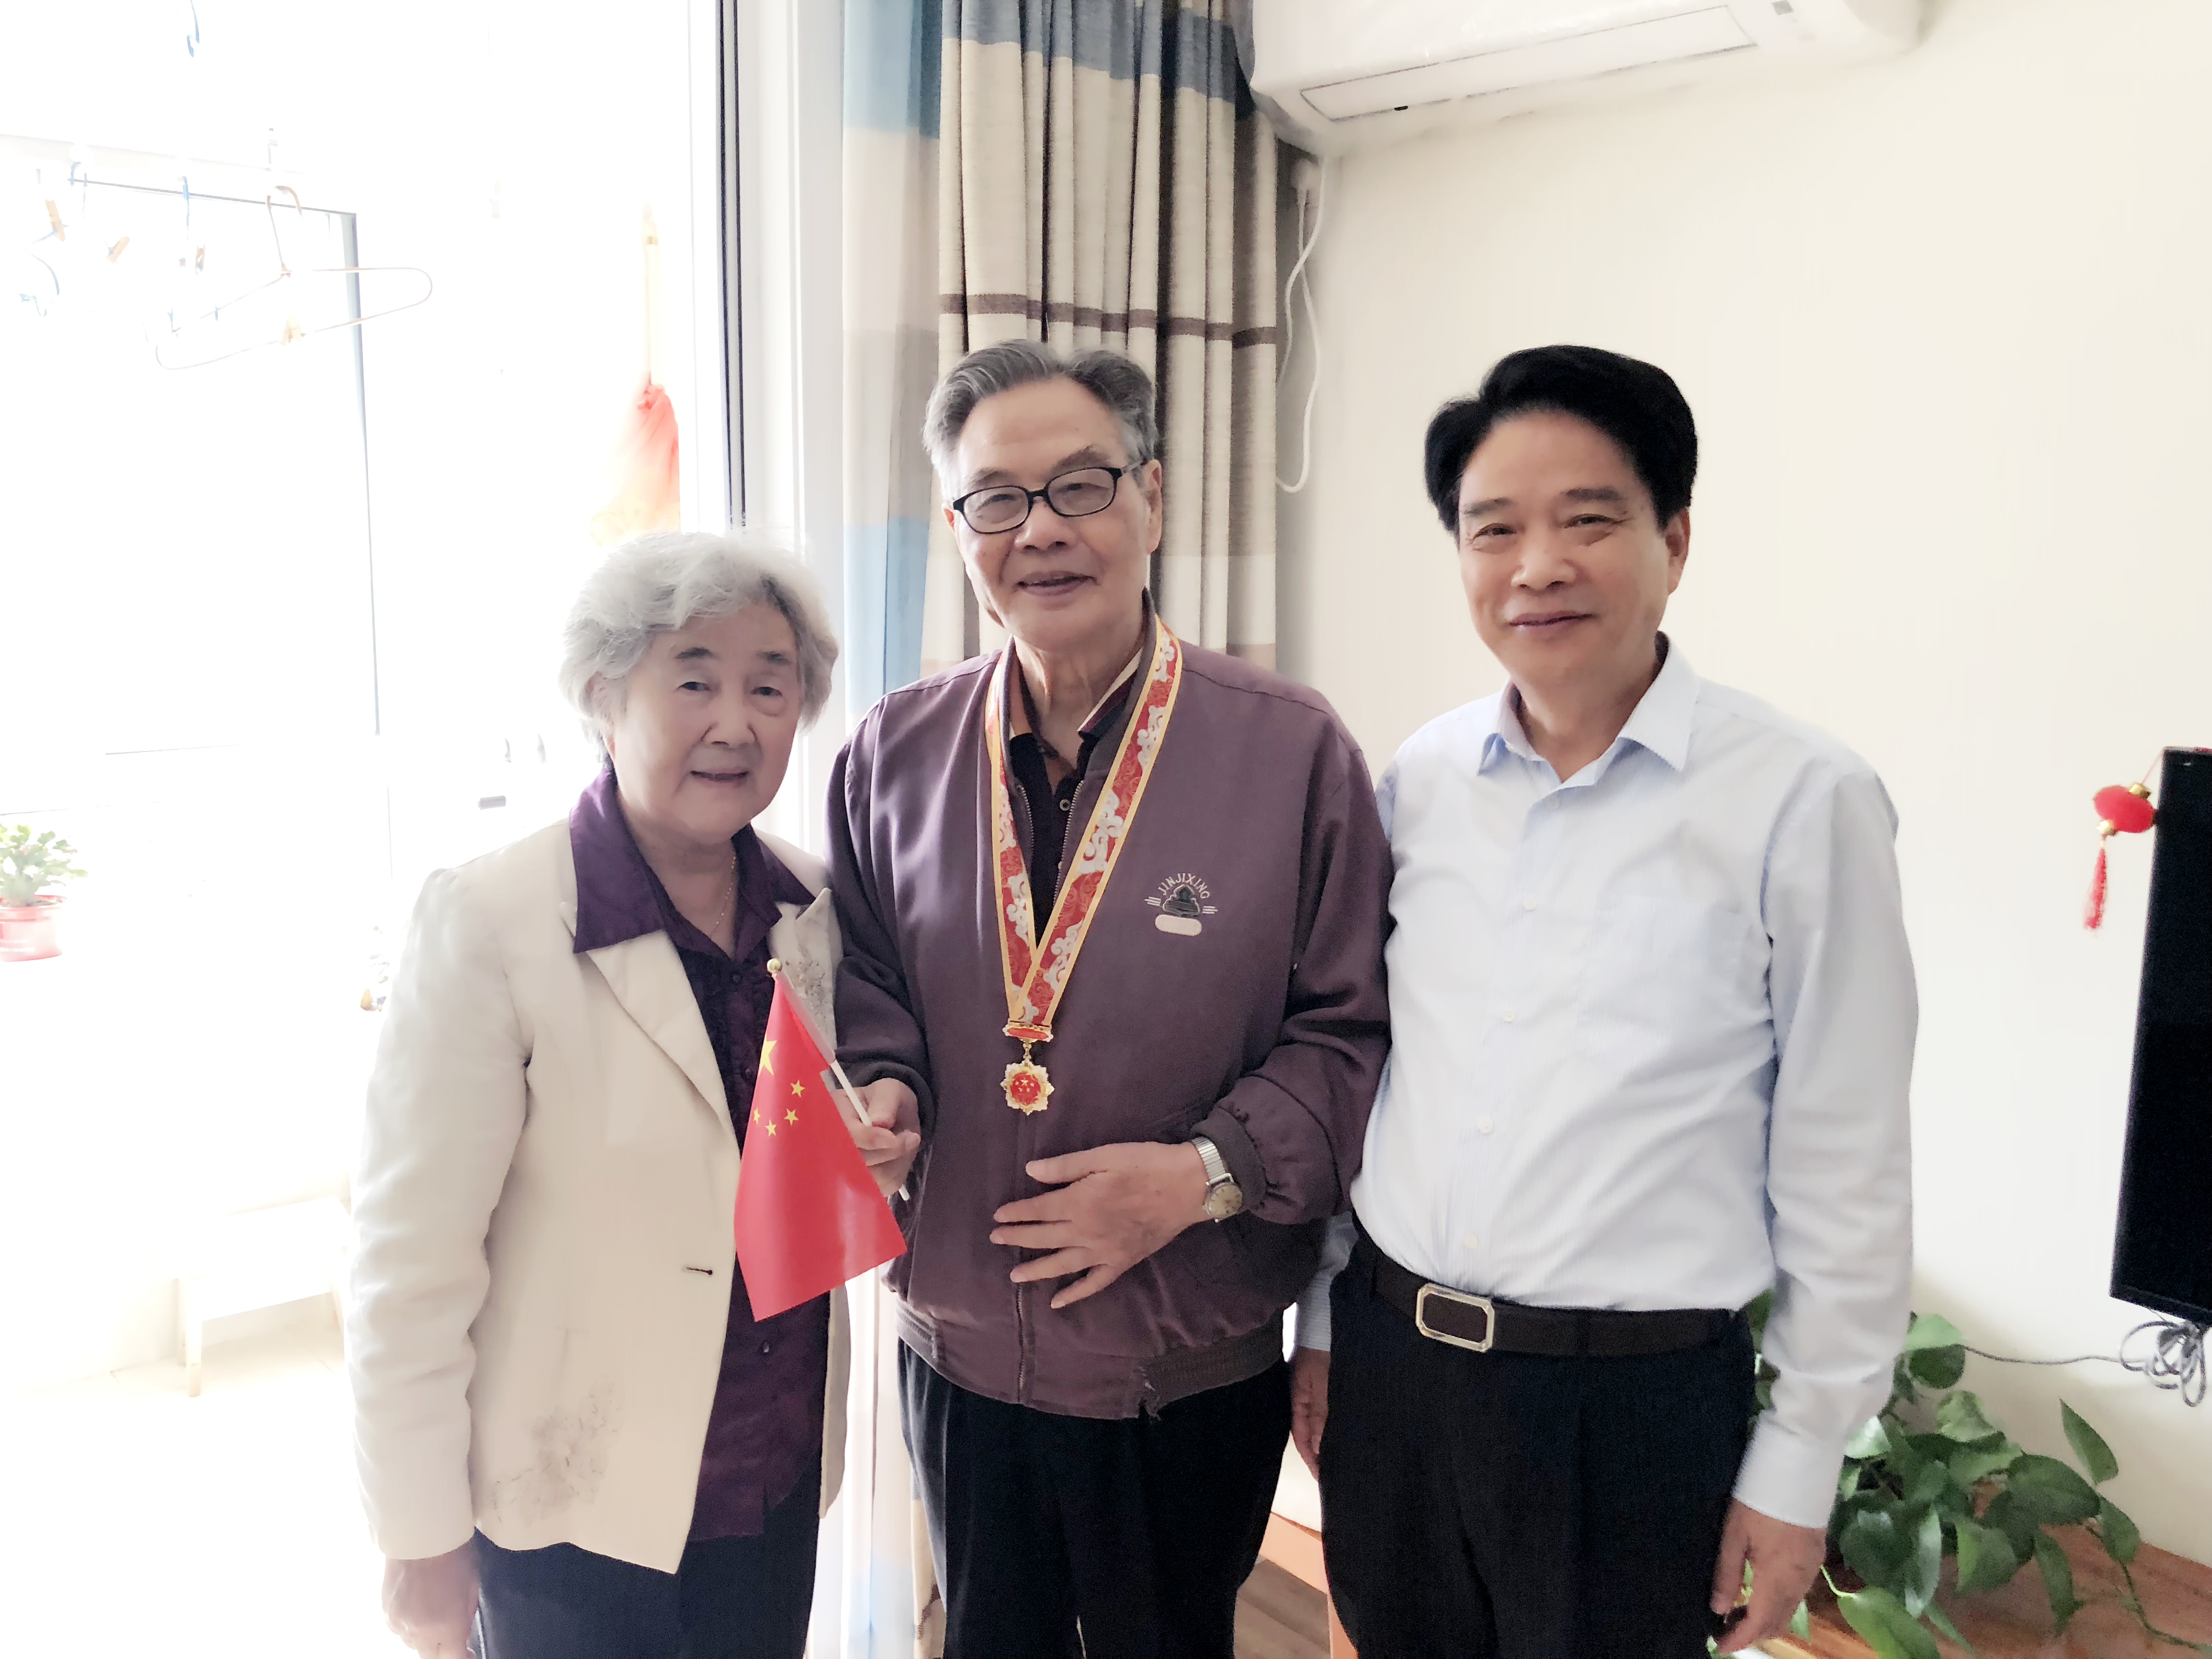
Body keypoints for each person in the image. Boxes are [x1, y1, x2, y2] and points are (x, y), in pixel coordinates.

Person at [1293, 346, 1916, 1658]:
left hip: (1629, 1416)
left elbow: (1846, 1155)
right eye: (1493, 530)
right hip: (1396, 1376)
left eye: (1587, 520)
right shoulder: (1421, 780)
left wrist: (1801, 1461)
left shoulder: (1804, 801)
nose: (1537, 567)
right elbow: (1375, 1064)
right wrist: (1327, 1325)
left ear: (1673, 541)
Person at [826, 338, 1392, 1658]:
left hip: (1180, 1369)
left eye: (1081, 485)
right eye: (996, 500)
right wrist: (885, 1088)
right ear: (959, 531)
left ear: (1154, 498)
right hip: (959, 1354)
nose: (1041, 531)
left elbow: (1353, 1034)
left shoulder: (1291, 751)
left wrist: (1205, 1175)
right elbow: (863, 980)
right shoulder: (892, 752)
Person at [349, 532, 907, 1659]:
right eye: (694, 681)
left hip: (771, 1472)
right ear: (605, 695)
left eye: (770, 687)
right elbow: (409, 1265)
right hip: (573, 1505)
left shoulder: (811, 906)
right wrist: (419, 1538)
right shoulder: (494, 921)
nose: (735, 724)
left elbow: (788, 1164)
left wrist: (874, 1144)